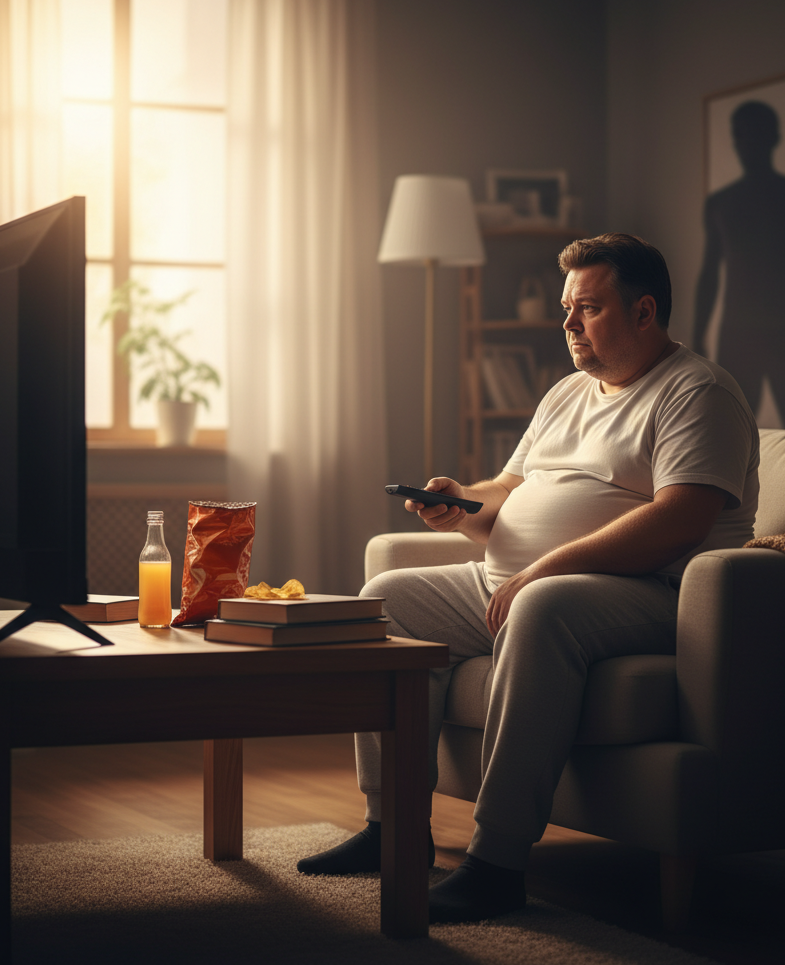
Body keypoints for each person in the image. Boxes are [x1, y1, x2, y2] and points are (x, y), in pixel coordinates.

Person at [298, 233, 760, 923]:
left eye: (589, 308)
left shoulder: (697, 392)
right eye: (567, 308)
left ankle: (497, 863)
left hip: (653, 592)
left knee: (541, 606)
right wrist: (462, 503)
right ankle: (392, 827)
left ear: (644, 311)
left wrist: (545, 567)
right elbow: (510, 490)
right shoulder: (567, 392)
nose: (569, 323)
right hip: (512, 581)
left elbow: (680, 520)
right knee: (387, 599)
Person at [693, 100, 785, 428]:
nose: (744, 143)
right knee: (729, 433)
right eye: (739, 135)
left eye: (753, 133)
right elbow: (709, 273)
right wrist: (698, 335)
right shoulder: (720, 203)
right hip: (740, 335)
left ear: (773, 137)